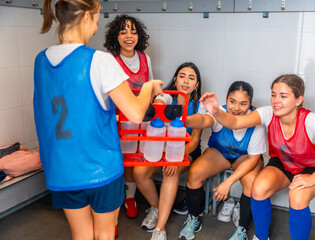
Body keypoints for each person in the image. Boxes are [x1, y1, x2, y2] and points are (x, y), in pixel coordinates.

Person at [33, 1, 163, 239]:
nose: (94, 29)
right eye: (95, 21)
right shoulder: (100, 60)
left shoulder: (40, 61)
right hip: (100, 170)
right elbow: (135, 113)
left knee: (81, 235)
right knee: (104, 235)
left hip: (61, 169)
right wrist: (148, 87)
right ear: (85, 18)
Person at [200, 74, 315, 240]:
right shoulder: (268, 113)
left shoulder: (311, 120)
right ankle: (261, 237)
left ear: (298, 100)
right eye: (273, 94)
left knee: (297, 196)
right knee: (258, 188)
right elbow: (235, 123)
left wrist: (312, 179)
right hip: (283, 163)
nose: (276, 100)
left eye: (283, 96)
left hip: (313, 169)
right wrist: (216, 111)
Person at [179, 81, 267, 240]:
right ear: (226, 100)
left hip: (245, 158)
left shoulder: (256, 121)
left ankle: (242, 229)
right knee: (195, 172)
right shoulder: (218, 112)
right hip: (220, 153)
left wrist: (228, 183)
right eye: (232, 101)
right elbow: (203, 121)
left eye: (243, 103)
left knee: (251, 181)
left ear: (250, 104)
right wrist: (183, 119)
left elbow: (253, 159)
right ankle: (194, 218)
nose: (236, 108)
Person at [133, 62, 205, 240]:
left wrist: (176, 158)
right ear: (175, 79)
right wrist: (156, 99)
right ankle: (156, 208)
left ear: (196, 84)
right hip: (161, 150)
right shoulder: (166, 97)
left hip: (186, 152)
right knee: (139, 172)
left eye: (191, 78)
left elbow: (195, 139)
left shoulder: (199, 105)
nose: (186, 81)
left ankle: (160, 228)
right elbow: (158, 103)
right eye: (182, 76)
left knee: (170, 173)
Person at [104, 14, 153, 219]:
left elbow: (150, 90)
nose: (128, 35)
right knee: (115, 162)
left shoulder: (145, 58)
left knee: (132, 161)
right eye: (123, 31)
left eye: (133, 31)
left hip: (138, 120)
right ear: (116, 36)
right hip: (113, 120)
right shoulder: (108, 59)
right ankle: (111, 210)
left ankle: (130, 197)